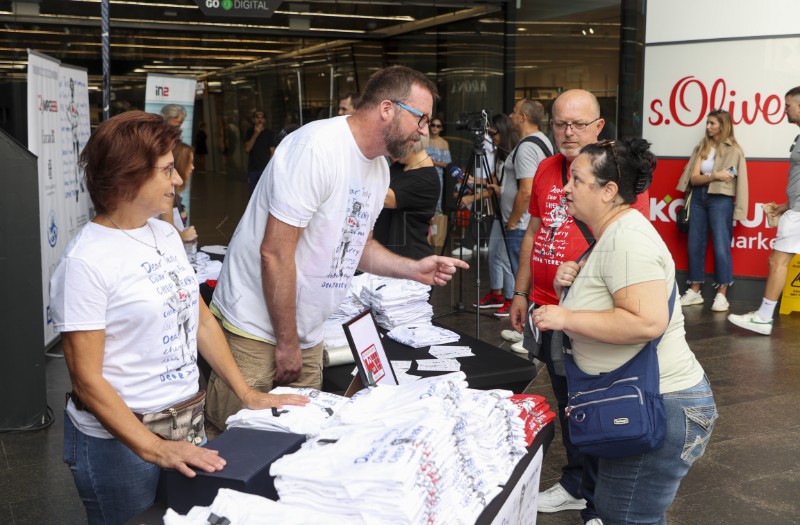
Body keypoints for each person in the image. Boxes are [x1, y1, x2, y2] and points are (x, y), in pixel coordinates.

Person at [49, 111, 308, 525]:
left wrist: (247, 392)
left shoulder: (164, 233)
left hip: (187, 426)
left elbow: (200, 320)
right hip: (120, 446)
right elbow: (87, 379)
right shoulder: (86, 262)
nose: (178, 180)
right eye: (167, 169)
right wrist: (155, 448)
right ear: (128, 176)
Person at [206, 65, 469, 434]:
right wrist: (287, 342)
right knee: (235, 445)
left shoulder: (378, 168)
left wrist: (413, 269)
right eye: (421, 118)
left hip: (307, 334)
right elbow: (275, 253)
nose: (425, 131)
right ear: (388, 109)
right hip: (257, 332)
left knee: (297, 445)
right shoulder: (316, 148)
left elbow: (355, 246)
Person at [531, 137, 717, 524]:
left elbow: (646, 322)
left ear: (608, 191)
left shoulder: (627, 239)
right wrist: (576, 283)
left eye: (577, 180)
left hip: (661, 404)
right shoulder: (613, 234)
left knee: (628, 517)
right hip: (642, 398)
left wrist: (565, 318)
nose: (566, 188)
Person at [509, 89, 649, 525]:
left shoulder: (616, 172)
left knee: (594, 405)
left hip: (590, 314)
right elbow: (534, 232)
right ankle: (575, 483)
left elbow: (625, 231)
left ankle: (597, 500)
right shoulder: (549, 168)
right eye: (559, 123)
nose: (568, 133)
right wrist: (521, 292)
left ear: (598, 126)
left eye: (578, 124)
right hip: (547, 307)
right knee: (566, 400)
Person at [729, 86, 800, 335]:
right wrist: (787, 205)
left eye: (788, 105)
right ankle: (763, 316)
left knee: (778, 262)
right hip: (796, 210)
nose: (784, 109)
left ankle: (763, 318)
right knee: (779, 261)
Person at [676, 109, 748, 312]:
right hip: (698, 197)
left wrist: (740, 209)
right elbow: (693, 178)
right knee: (694, 244)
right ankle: (694, 291)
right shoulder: (702, 147)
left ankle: (721, 294)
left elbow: (735, 178)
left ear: (723, 126)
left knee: (720, 246)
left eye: (712, 123)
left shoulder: (734, 150)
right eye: (707, 123)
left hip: (721, 199)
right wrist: (715, 175)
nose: (707, 127)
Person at [492, 98, 553, 318]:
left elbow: (526, 190)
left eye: (514, 112)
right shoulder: (542, 141)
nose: (510, 116)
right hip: (529, 221)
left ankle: (524, 329)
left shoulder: (527, 147)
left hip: (521, 224)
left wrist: (512, 222)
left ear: (523, 117)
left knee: (522, 278)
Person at [374, 135, 440, 259]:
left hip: (409, 257)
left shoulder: (426, 179)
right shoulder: (400, 166)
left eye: (396, 147)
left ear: (412, 144)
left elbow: (386, 198)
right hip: (387, 254)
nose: (392, 153)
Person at [159, 142, 198, 244]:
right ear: (181, 163)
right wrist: (184, 236)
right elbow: (168, 226)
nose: (192, 167)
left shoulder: (174, 190)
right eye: (190, 162)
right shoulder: (168, 189)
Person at [244, 109, 275, 196]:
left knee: (265, 194)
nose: (260, 119)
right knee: (252, 195)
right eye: (257, 117)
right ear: (253, 120)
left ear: (265, 120)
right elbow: (247, 149)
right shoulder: (249, 132)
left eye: (262, 117)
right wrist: (256, 134)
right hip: (252, 169)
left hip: (264, 169)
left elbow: (272, 151)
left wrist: (269, 168)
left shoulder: (269, 133)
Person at [427, 117, 452, 214]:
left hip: (437, 176)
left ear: (441, 128)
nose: (435, 128)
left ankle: (435, 228)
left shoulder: (444, 143)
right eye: (433, 125)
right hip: (423, 173)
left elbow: (447, 164)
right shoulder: (424, 139)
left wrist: (432, 162)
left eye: (438, 126)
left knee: (436, 203)